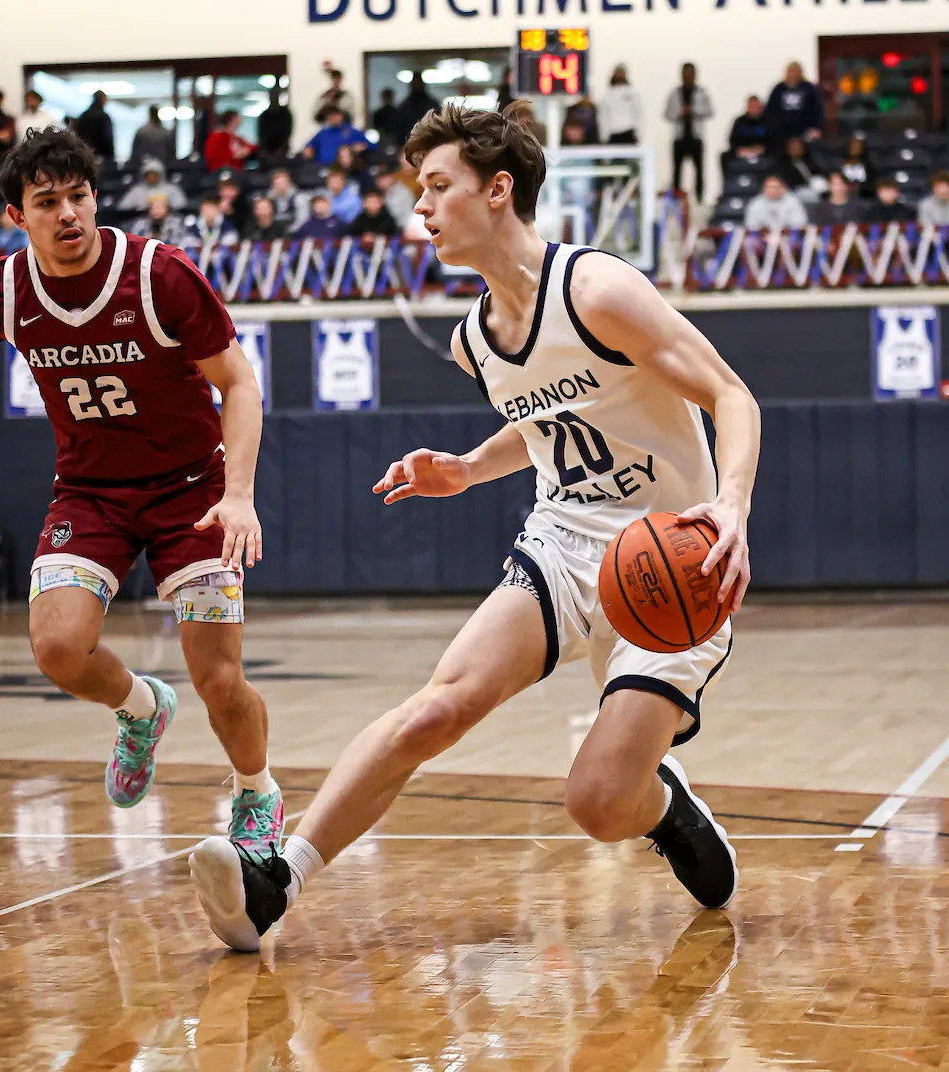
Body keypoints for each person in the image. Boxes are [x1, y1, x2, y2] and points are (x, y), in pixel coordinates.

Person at [189, 101, 760, 952]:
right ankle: (277, 879)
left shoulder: (596, 290)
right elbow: (545, 421)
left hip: (670, 551)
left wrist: (733, 509)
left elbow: (729, 394)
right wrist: (465, 467)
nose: (419, 205)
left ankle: (664, 804)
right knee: (436, 710)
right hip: (564, 542)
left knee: (600, 803)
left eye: (436, 185)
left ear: (498, 190)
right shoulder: (476, 338)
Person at [0, 127, 284, 866]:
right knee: (57, 647)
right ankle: (140, 708)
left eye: (79, 196)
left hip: (194, 493)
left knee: (220, 680)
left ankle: (258, 793)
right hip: (89, 493)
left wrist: (240, 494)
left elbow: (239, 383)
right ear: (17, 218)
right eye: (47, 201)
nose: (68, 214)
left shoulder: (158, 273)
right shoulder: (10, 286)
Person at [664, 64, 713, 204]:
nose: (688, 76)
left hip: (696, 136)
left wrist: (694, 111)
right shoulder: (674, 93)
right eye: (685, 73)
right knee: (677, 171)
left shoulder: (702, 92)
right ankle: (676, 198)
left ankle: (699, 198)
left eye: (690, 73)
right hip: (679, 137)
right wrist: (680, 113)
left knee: (699, 170)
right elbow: (667, 113)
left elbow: (710, 111)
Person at [765, 62, 824, 141]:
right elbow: (770, 110)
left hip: (805, 133)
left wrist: (816, 128)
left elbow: (818, 109)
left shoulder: (809, 88)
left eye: (796, 71)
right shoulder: (779, 89)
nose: (793, 74)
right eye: (791, 71)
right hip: (783, 133)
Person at [723, 95, 779, 172]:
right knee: (724, 156)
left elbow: (776, 142)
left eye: (756, 106)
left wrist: (763, 149)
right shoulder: (740, 121)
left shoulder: (769, 122)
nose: (753, 109)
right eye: (751, 106)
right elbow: (732, 140)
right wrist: (740, 150)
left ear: (760, 107)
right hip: (743, 152)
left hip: (763, 154)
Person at [302, 108, 371, 167]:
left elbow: (370, 145)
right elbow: (308, 147)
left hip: (343, 168)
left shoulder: (351, 131)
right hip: (322, 167)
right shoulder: (323, 133)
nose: (332, 117)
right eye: (330, 115)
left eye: (335, 114)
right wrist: (308, 150)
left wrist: (360, 147)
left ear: (341, 115)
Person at [118, 158, 187, 212]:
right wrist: (138, 207)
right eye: (148, 175)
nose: (151, 178)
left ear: (161, 175)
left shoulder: (172, 189)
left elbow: (182, 205)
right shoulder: (137, 190)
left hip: (168, 220)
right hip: (142, 221)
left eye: (154, 175)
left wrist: (167, 207)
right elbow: (122, 207)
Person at [744, 174, 808, 231]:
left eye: (777, 187)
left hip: (787, 237)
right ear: (764, 189)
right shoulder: (756, 203)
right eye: (771, 187)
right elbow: (751, 225)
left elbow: (799, 224)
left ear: (784, 188)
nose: (774, 190)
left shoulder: (793, 201)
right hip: (763, 237)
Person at [598, 65, 644, 145]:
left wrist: (639, 133)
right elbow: (603, 117)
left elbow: (638, 114)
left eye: (621, 73)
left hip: (629, 132)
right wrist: (603, 136)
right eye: (617, 73)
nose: (619, 75)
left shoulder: (632, 93)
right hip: (613, 134)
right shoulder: (607, 96)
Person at [775, 137, 825, 203]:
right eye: (794, 148)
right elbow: (788, 182)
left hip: (813, 186)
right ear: (788, 150)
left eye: (799, 148)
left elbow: (818, 172)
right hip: (796, 189)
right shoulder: (783, 164)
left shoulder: (808, 161)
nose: (797, 150)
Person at [395, 73, 441, 143]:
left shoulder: (432, 105)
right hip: (408, 142)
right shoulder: (404, 107)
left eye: (418, 83)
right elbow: (399, 129)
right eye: (415, 83)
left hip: (429, 142)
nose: (417, 85)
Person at [73, 91, 115, 162]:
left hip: (84, 156)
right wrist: (111, 157)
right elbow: (107, 138)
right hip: (101, 157)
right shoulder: (104, 117)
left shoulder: (84, 116)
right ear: (103, 100)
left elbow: (77, 135)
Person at [266, 168, 309, 233]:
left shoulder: (298, 198)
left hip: (294, 232)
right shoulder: (268, 199)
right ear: (273, 185)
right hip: (273, 232)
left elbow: (303, 220)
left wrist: (288, 231)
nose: (280, 187)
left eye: (283, 183)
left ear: (289, 183)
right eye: (277, 184)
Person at [257, 89, 293, 163]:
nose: (273, 98)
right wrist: (264, 150)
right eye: (272, 96)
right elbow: (261, 134)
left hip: (281, 152)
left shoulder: (285, 114)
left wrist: (282, 148)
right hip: (267, 153)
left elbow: (287, 132)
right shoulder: (265, 116)